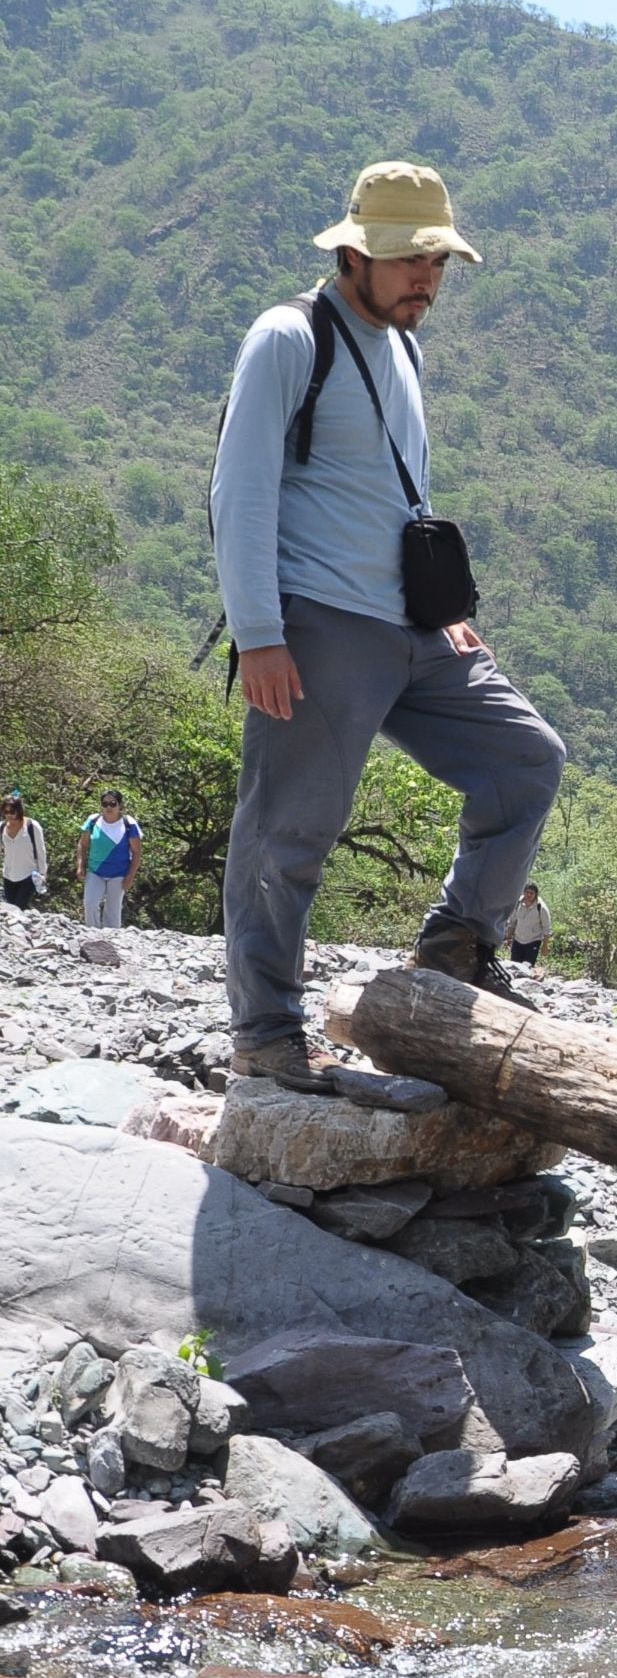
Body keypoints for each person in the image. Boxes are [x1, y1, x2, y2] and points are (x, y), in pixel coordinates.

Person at [210, 160, 565, 1090]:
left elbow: (396, 496)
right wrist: (259, 634)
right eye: (411, 262)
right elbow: (239, 493)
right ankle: (267, 1036)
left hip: (415, 629)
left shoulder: (404, 346)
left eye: (439, 263)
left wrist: (443, 615)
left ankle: (456, 949)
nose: (427, 281)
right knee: (289, 836)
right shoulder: (289, 339)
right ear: (356, 251)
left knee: (527, 760)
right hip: (319, 626)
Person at [75, 790, 140, 929]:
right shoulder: (93, 821)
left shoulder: (129, 824)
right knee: (90, 903)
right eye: (105, 804)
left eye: (113, 804)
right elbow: (83, 844)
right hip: (95, 871)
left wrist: (130, 876)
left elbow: (136, 852)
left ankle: (111, 939)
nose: (109, 807)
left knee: (113, 909)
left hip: (119, 873)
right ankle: (93, 934)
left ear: (119, 805)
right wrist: (80, 865)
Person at [2, 792, 48, 910]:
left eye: (12, 812)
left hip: (29, 874)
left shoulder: (32, 826)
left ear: (19, 811)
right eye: (6, 812)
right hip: (9, 874)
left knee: (19, 907)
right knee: (11, 908)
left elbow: (41, 852)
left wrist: (43, 874)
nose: (9, 815)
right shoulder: (2, 827)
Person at [508, 882, 552, 966]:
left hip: (533, 941)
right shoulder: (518, 904)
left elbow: (547, 928)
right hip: (518, 940)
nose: (529, 895)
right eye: (527, 892)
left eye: (531, 893)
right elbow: (512, 922)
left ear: (536, 894)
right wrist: (508, 937)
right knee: (514, 966)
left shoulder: (541, 907)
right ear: (523, 892)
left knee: (527, 967)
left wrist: (545, 946)